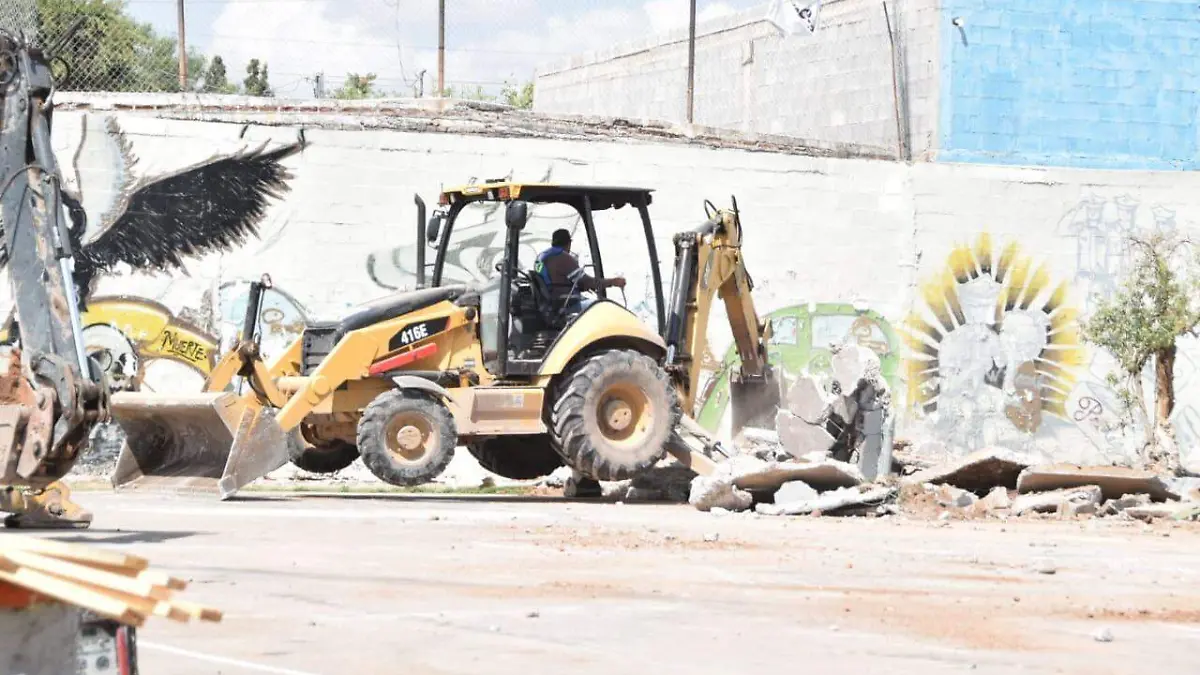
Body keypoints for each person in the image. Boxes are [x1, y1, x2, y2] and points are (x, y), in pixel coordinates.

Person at [534, 229, 625, 312]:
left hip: (550, 305)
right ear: (568, 243)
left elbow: (557, 281)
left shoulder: (540, 257)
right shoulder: (563, 257)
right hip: (566, 306)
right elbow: (588, 282)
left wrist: (581, 286)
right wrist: (613, 282)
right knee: (606, 308)